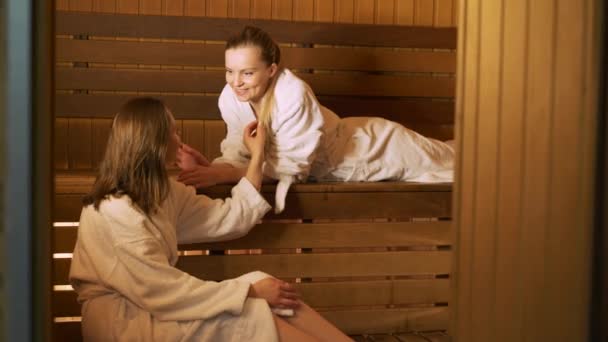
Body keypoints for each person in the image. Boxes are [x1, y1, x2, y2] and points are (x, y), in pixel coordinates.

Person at [69, 97, 352, 341]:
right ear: (154, 143)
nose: (179, 140)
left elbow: (230, 217)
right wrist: (249, 293)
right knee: (251, 313)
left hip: (157, 309)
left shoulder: (162, 194)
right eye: (174, 132)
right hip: (125, 324)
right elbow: (159, 291)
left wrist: (257, 158)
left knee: (267, 284)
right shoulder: (114, 209)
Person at [177, 26, 455, 213]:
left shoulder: (293, 94)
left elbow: (291, 170)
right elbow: (242, 151)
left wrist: (223, 173)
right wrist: (211, 167)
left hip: (373, 149)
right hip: (344, 156)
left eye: (247, 73)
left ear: (271, 69)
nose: (236, 82)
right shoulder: (230, 97)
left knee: (455, 163)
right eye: (229, 71)